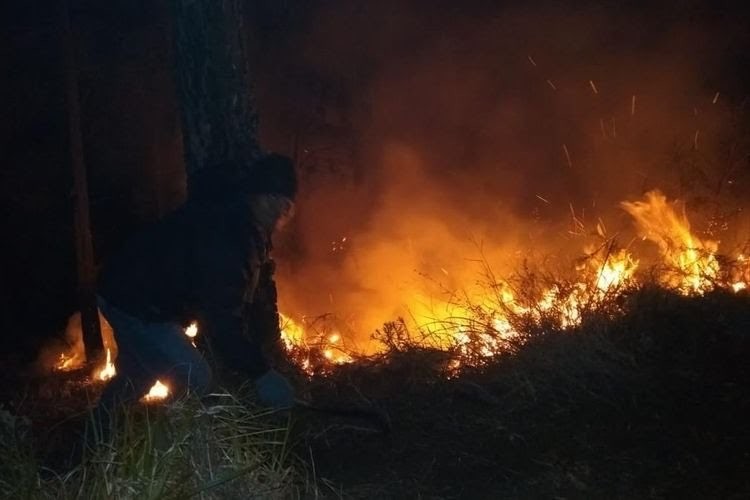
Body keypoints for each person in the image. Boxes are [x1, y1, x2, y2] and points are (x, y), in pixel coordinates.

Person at [94, 154, 297, 422]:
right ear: (267, 198)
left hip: (125, 289)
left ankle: (93, 438)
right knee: (195, 378)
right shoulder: (232, 235)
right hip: (136, 302)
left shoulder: (235, 218)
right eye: (285, 205)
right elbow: (223, 318)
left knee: (138, 373)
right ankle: (169, 454)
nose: (286, 215)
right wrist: (261, 374)